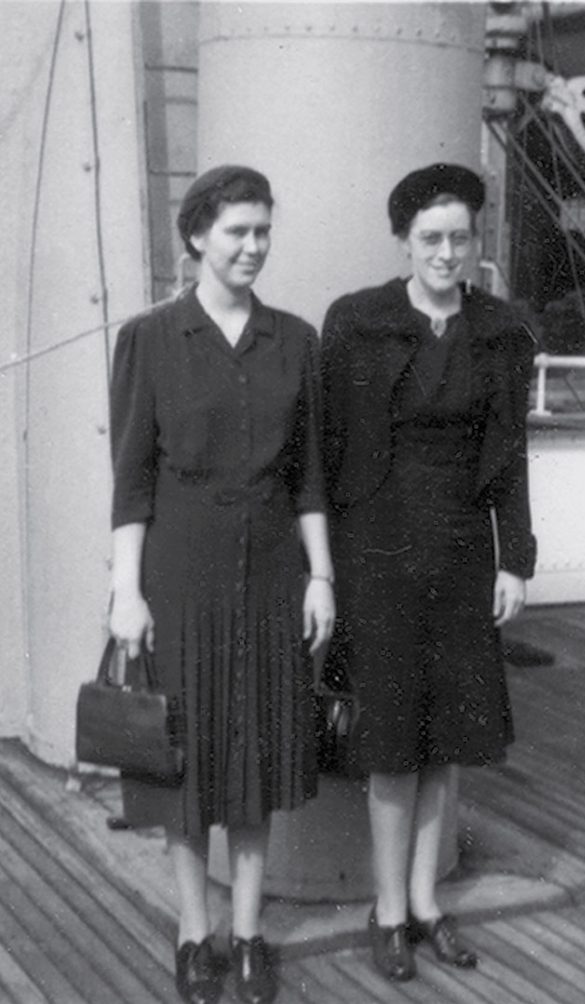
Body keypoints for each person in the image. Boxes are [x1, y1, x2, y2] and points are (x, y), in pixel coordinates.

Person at [108, 165, 334, 1004]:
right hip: (180, 577)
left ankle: (247, 934)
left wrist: (323, 578)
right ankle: (192, 931)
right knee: (186, 763)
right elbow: (130, 482)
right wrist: (126, 592)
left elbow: (310, 475)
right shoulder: (151, 339)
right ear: (197, 235)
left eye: (263, 231)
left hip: (274, 574)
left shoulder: (295, 341)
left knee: (256, 758)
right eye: (238, 230)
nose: (252, 246)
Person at [320, 163, 537, 982]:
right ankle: (386, 913)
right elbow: (328, 444)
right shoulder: (358, 323)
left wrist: (514, 558)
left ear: (477, 241)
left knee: (447, 739)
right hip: (377, 553)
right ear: (403, 242)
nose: (447, 253)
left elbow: (513, 457)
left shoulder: (501, 331)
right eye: (430, 239)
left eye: (461, 238)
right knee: (390, 742)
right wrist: (323, 566)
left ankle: (425, 904)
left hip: (461, 553)